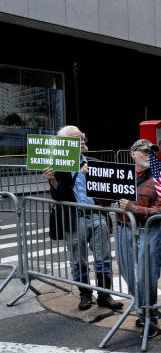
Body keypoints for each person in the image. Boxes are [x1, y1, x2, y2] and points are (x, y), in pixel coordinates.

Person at [42, 126, 122, 311]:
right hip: (74, 220)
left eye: (83, 138)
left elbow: (109, 195)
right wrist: (53, 181)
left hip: (97, 217)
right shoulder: (58, 168)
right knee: (78, 261)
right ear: (65, 144)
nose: (82, 142)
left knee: (104, 258)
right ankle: (85, 295)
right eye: (77, 140)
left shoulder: (95, 163)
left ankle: (104, 295)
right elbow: (60, 196)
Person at [116, 139, 161, 337]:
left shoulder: (159, 177)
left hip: (148, 230)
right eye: (144, 151)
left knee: (147, 276)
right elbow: (101, 199)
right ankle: (141, 309)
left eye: (151, 152)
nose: (148, 155)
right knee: (128, 272)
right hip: (124, 228)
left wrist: (135, 209)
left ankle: (150, 317)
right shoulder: (121, 176)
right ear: (132, 153)